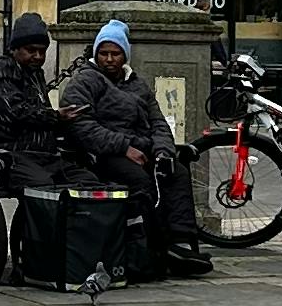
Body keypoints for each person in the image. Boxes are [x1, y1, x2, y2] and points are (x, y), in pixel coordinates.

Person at [52, 18, 208, 271]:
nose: (110, 59)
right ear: (96, 54)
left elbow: (157, 122)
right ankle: (152, 247)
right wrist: (124, 147)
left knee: (175, 172)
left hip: (141, 146)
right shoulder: (85, 82)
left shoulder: (138, 84)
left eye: (115, 53)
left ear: (125, 55)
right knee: (140, 181)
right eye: (104, 53)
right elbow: (83, 127)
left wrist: (162, 152)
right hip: (103, 154)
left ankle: (179, 241)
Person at [0, 9, 63, 189]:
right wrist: (57, 117)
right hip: (5, 152)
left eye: (42, 51)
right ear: (15, 48)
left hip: (39, 154)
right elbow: (16, 112)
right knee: (42, 187)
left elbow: (41, 111)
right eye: (31, 50)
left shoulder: (35, 74)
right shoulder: (1, 68)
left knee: (85, 179)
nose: (38, 57)